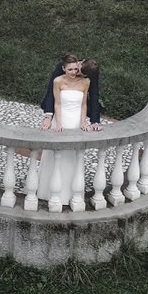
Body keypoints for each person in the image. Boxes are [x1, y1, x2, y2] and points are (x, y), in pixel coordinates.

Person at [37, 54, 91, 202]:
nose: (73, 72)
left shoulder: (85, 82)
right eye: (70, 69)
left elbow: (84, 104)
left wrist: (83, 122)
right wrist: (58, 122)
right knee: (56, 155)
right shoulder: (58, 81)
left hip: (76, 121)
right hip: (61, 118)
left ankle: (70, 193)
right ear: (63, 69)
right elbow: (57, 104)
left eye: (75, 69)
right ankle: (49, 191)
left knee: (72, 156)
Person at [40, 57, 102, 131]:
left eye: (81, 75)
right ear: (80, 63)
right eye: (77, 70)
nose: (75, 73)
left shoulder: (92, 72)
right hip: (60, 105)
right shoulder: (64, 66)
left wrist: (95, 121)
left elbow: (94, 95)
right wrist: (48, 116)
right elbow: (51, 90)